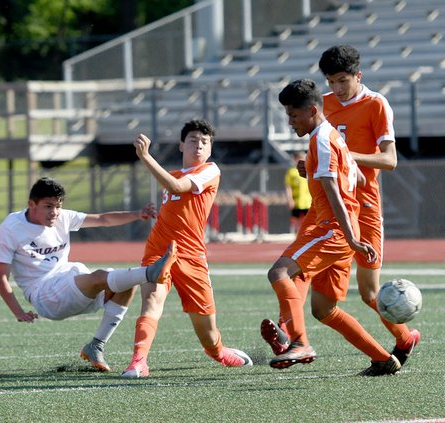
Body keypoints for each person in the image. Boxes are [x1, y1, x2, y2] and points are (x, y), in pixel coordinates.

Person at [261, 45, 420, 368]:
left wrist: (340, 160)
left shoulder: (376, 104)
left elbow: (389, 160)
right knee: (299, 276)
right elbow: (327, 161)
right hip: (327, 208)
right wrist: (315, 166)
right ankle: (291, 335)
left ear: (358, 76)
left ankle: (403, 337)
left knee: (369, 292)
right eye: (331, 81)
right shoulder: (322, 106)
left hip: (361, 208)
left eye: (343, 80)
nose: (336, 88)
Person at [0, 176, 177, 372]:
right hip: (44, 294)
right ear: (31, 204)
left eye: (58, 205)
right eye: (48, 206)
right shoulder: (11, 227)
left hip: (69, 280)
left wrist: (137, 214)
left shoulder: (62, 217)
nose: (54, 212)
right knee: (99, 276)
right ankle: (149, 273)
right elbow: (1, 277)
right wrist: (17, 311)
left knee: (126, 285)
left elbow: (102, 219)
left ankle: (96, 345)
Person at [122, 119, 253, 378]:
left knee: (207, 331)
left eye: (205, 142)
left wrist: (145, 157)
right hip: (159, 250)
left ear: (211, 148)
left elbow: (176, 187)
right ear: (182, 145)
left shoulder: (210, 170)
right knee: (151, 300)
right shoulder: (174, 173)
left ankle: (218, 351)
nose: (199, 145)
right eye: (193, 140)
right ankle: (138, 362)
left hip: (191, 255)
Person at [284, 151, 311, 233]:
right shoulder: (291, 171)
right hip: (297, 201)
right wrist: (289, 199)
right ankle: (296, 235)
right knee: (296, 220)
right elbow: (288, 186)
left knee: (309, 220)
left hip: (308, 201)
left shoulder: (308, 170)